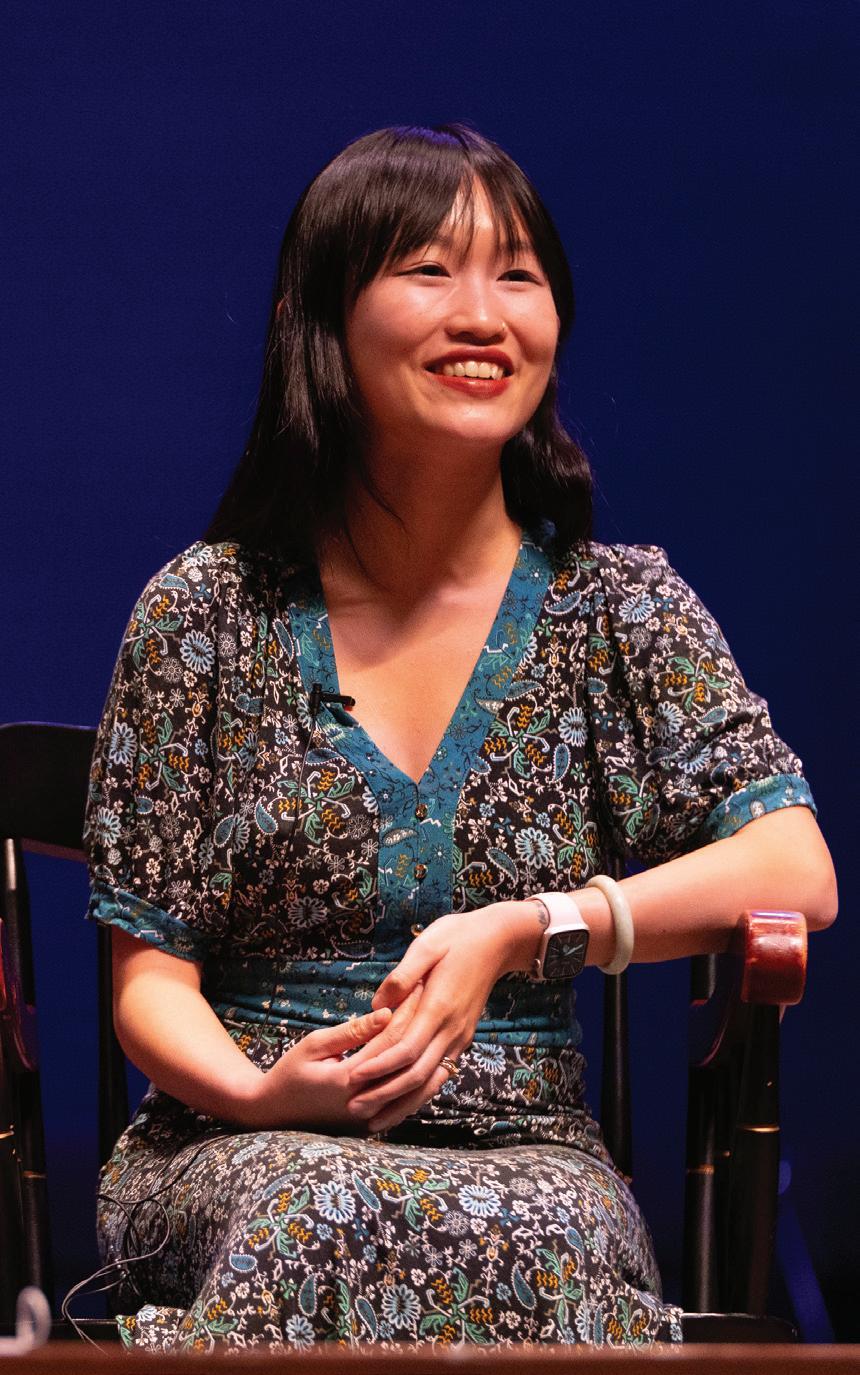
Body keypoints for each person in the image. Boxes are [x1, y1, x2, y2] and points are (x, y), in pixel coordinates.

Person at [85, 123, 837, 1351]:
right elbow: (150, 980)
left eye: (517, 274)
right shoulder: (204, 612)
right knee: (313, 1210)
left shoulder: (616, 608)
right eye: (429, 270)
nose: (482, 316)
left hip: (528, 1146)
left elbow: (795, 869)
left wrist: (531, 924)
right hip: (240, 1138)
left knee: (544, 1234)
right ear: (316, 318)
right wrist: (264, 1093)